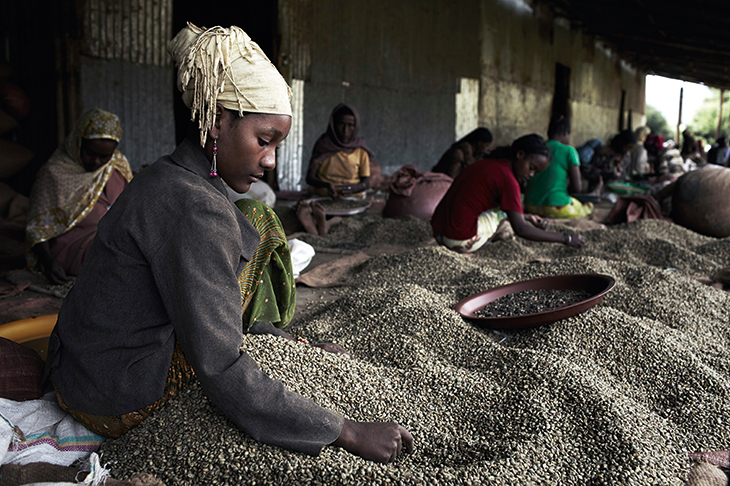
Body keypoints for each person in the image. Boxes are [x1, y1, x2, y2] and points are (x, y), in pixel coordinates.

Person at [43, 23, 412, 465]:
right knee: (258, 223)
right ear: (218, 121)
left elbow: (200, 301)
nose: (272, 161)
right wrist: (346, 431)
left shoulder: (163, 174)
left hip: (77, 369)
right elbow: (219, 365)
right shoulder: (198, 209)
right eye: (264, 140)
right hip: (112, 397)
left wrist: (289, 345)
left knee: (255, 218)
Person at [25, 109, 132, 284]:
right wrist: (48, 261)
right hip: (75, 245)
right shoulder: (54, 173)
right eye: (90, 153)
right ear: (77, 142)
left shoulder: (117, 165)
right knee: (112, 253)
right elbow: (38, 228)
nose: (96, 161)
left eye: (104, 156)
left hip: (114, 236)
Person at [431, 134, 586, 253]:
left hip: (438, 231)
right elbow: (521, 229)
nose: (531, 175)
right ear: (520, 155)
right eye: (531, 167)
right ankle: (481, 242)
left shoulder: (491, 163)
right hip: (458, 240)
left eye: (536, 172)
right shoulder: (509, 181)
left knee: (500, 211)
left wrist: (526, 216)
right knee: (500, 218)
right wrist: (566, 238)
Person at [523, 115, 594, 219]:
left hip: (530, 205)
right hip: (557, 207)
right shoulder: (569, 151)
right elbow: (577, 188)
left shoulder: (538, 147)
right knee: (587, 207)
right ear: (566, 133)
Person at [306, 103, 373, 199]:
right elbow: (309, 178)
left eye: (350, 125)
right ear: (333, 125)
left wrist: (353, 188)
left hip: (353, 197)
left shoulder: (360, 150)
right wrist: (326, 185)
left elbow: (366, 182)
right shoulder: (323, 146)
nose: (346, 131)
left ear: (356, 126)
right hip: (324, 196)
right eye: (341, 124)